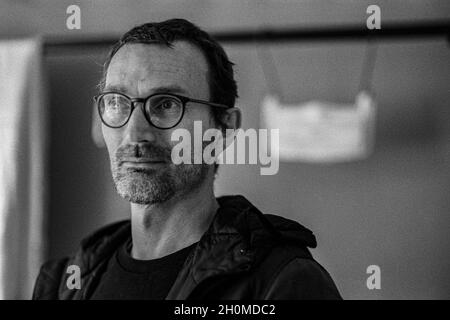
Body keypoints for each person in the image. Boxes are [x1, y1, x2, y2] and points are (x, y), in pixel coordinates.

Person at [32, 18, 341, 300]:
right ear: (98, 123)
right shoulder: (62, 284)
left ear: (225, 128)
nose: (136, 132)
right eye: (117, 102)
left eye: (166, 104)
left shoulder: (281, 282)